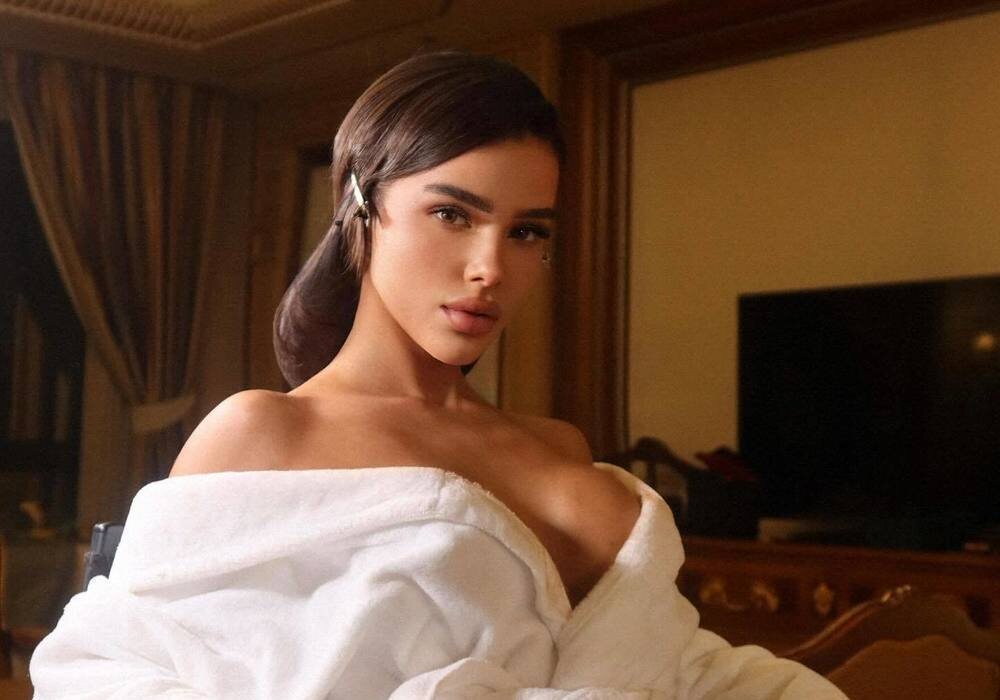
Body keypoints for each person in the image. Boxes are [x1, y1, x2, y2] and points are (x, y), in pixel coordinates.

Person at [28, 50, 847, 699]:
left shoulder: (561, 446)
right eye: (452, 214)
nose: (491, 267)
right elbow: (110, 669)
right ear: (361, 208)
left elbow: (670, 664)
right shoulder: (263, 432)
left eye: (527, 232)